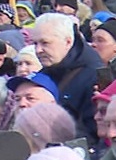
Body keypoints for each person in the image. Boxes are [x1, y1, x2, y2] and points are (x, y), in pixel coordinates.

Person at [33, 13, 104, 141]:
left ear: (68, 42)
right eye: (35, 43)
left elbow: (93, 131)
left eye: (45, 43)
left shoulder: (93, 75)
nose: (38, 50)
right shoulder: (48, 70)